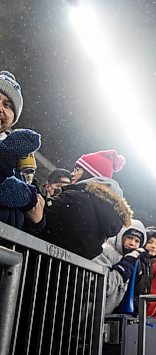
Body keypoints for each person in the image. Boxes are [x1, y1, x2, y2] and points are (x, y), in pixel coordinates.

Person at [35, 149, 132, 259]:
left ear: (89, 174)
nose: (72, 174)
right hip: (69, 273)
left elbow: (38, 211)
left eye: (77, 169)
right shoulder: (102, 210)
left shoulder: (76, 198)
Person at [0, 70, 45, 229]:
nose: (0, 108)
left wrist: (37, 222)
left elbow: (31, 215)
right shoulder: (10, 150)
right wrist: (26, 196)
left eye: (7, 105)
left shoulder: (20, 156)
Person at [92, 219, 148, 314]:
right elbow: (100, 288)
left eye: (137, 241)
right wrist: (123, 268)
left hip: (105, 315)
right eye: (129, 238)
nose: (132, 243)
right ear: (120, 237)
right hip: (91, 315)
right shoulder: (106, 251)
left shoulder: (133, 261)